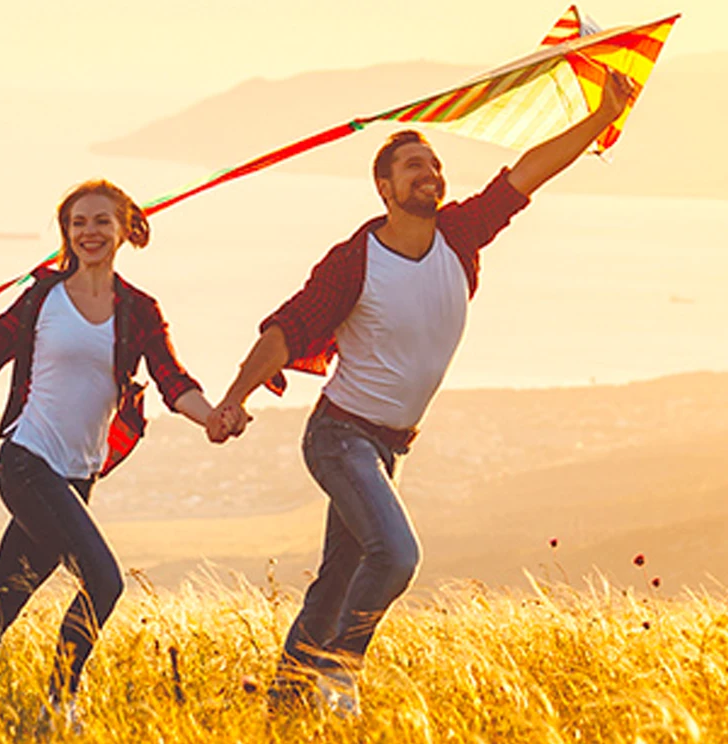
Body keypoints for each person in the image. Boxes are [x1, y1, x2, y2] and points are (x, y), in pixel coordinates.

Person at [207, 71, 637, 713]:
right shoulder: (355, 260)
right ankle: (339, 673)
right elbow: (287, 329)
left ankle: (284, 708)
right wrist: (234, 397)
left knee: (335, 583)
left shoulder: (460, 235)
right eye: (413, 166)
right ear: (384, 188)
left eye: (434, 165)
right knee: (397, 555)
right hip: (338, 438)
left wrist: (603, 114)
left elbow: (531, 172)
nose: (429, 173)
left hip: (387, 448)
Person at [0, 179, 218, 724]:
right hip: (24, 462)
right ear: (66, 232)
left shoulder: (138, 310)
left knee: (1, 601)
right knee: (105, 581)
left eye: (101, 221)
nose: (89, 231)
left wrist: (215, 418)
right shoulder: (42, 298)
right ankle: (59, 705)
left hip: (77, 479)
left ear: (125, 228)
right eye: (78, 222)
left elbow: (173, 382)